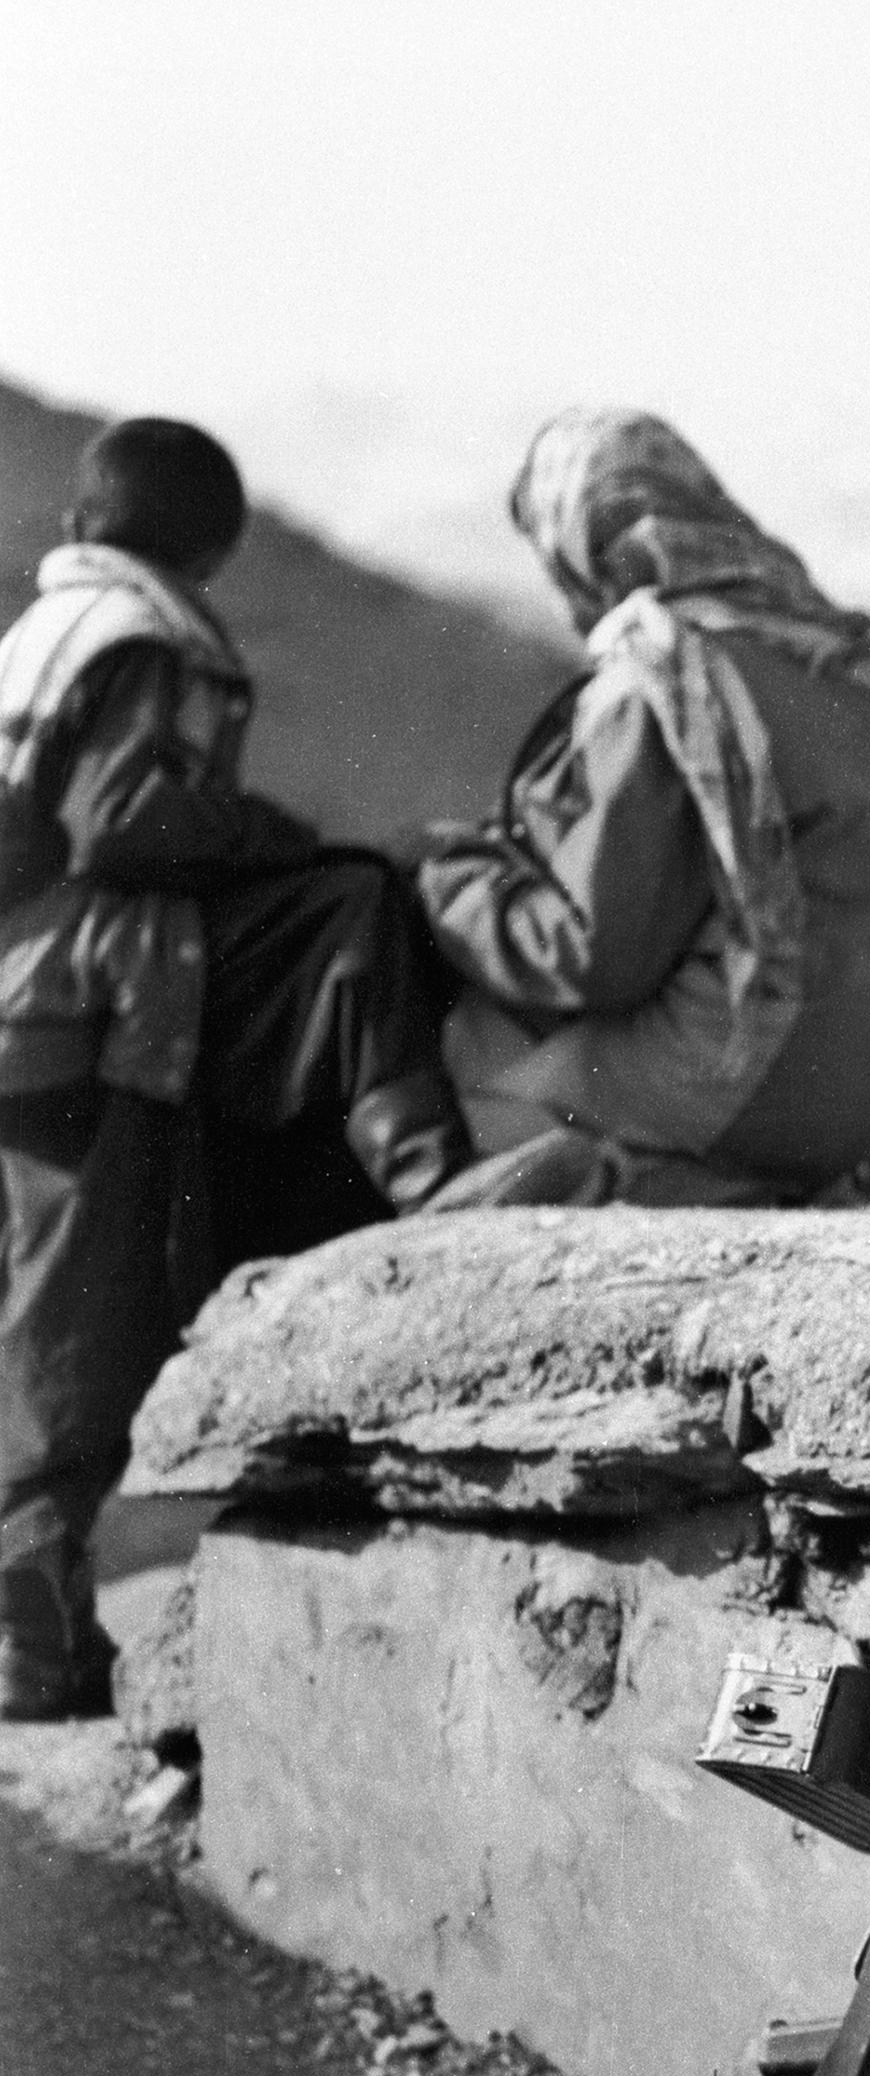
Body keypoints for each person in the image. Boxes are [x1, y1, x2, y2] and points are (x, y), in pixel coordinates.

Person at [0, 418, 475, 1720]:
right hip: (91, 1002)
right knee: (74, 1332)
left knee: (43, 1308)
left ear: (85, 523)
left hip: (24, 998)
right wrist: (271, 833)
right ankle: (30, 1652)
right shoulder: (145, 636)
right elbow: (124, 819)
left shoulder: (48, 627)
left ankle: (37, 1641)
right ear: (208, 547)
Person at [396, 409, 870, 1205]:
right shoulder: (843, 663)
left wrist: (444, 874)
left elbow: (589, 955)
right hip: (865, 1101)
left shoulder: (663, 680)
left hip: (755, 1087)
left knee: (470, 1067)